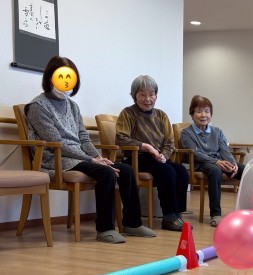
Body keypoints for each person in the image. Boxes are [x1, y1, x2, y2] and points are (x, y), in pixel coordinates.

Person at [25, 56, 155, 244]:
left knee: (126, 170)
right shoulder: (38, 107)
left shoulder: (72, 105)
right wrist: (91, 160)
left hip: (79, 157)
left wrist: (97, 156)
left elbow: (84, 138)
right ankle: (105, 229)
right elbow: (56, 143)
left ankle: (132, 224)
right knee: (106, 173)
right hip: (56, 159)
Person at [116, 75, 189, 232]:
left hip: (158, 158)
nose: (147, 99)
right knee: (167, 171)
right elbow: (121, 139)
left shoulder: (161, 115)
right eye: (142, 94)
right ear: (134, 95)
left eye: (151, 94)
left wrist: (164, 155)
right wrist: (147, 147)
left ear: (156, 95)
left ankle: (177, 214)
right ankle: (169, 217)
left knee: (181, 171)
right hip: (136, 158)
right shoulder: (128, 113)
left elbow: (169, 142)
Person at [179, 95, 245, 227]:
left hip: (219, 163)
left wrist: (233, 163)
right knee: (215, 171)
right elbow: (195, 154)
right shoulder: (186, 133)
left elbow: (224, 150)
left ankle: (250, 210)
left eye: (207, 111)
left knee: (246, 170)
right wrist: (216, 162)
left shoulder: (217, 131)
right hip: (199, 164)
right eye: (199, 111)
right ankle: (216, 214)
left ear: (211, 114)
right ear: (192, 114)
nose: (203, 115)